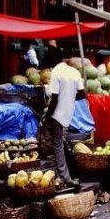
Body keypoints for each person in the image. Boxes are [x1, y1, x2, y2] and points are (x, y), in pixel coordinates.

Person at [42, 58, 84, 188]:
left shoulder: (56, 72)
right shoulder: (75, 73)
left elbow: (54, 98)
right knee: (61, 142)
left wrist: (47, 116)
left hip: (57, 114)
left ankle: (65, 177)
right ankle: (65, 174)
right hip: (68, 113)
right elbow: (82, 94)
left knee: (57, 144)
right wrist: (69, 97)